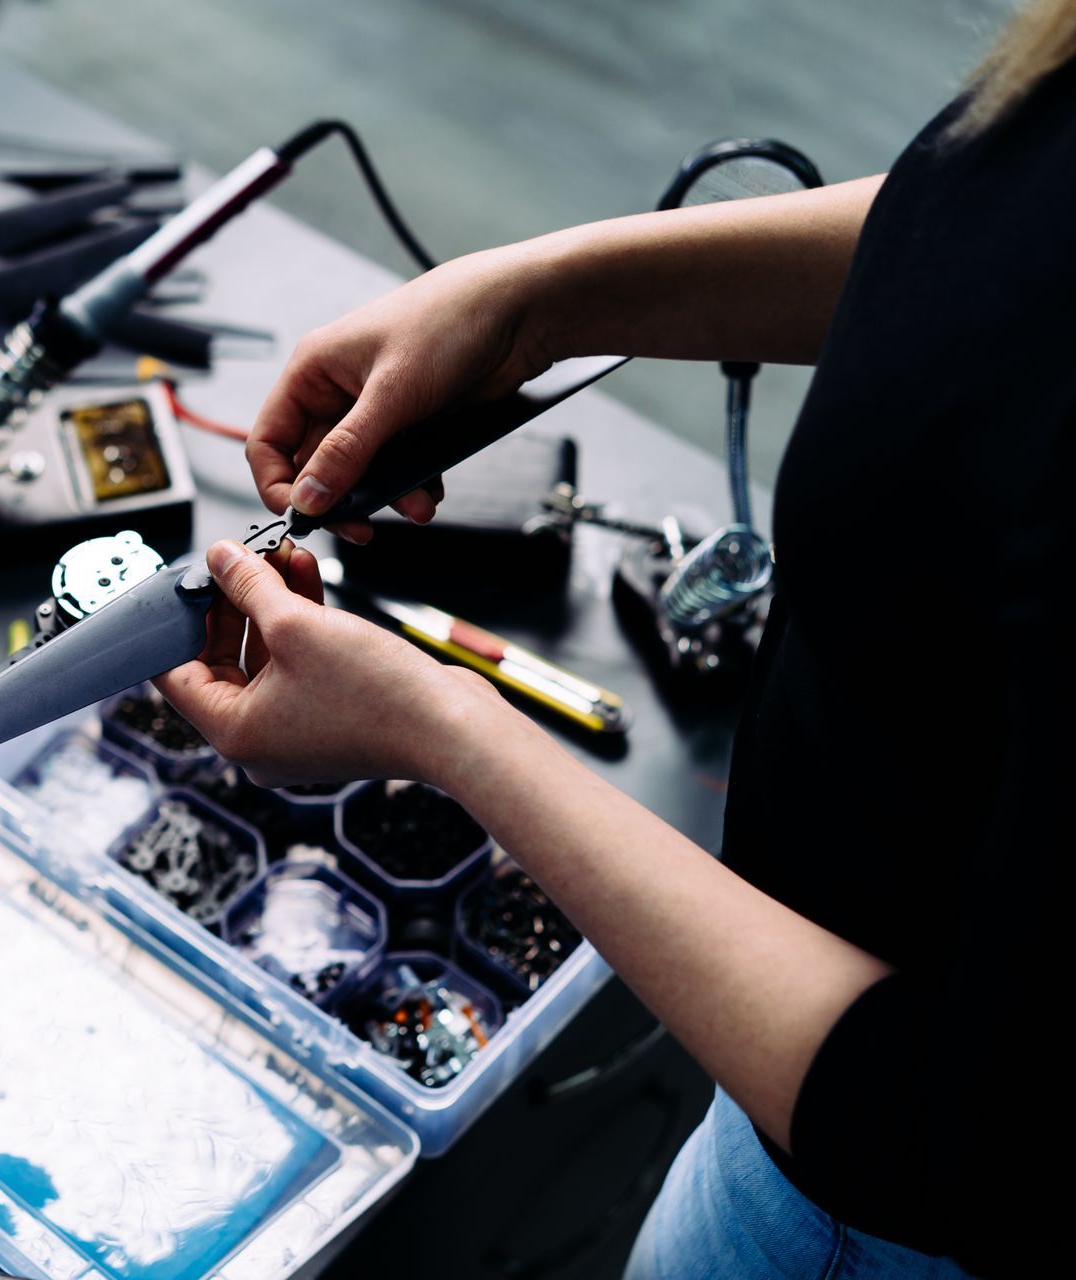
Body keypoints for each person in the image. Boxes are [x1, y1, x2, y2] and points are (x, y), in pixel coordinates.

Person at [156, 4, 1071, 1276]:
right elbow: (1000, 232)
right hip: (781, 1085)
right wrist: (546, 295)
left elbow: (966, 1140)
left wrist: (442, 729)